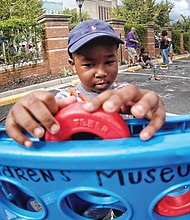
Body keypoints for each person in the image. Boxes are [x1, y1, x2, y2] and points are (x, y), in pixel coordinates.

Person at [5, 20, 165, 218]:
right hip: (77, 192)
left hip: (120, 186)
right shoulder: (67, 99)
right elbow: (44, 112)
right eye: (88, 64)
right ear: (73, 65)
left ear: (118, 58)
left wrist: (151, 104)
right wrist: (26, 113)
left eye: (109, 62)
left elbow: (141, 99)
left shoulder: (123, 95)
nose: (101, 72)